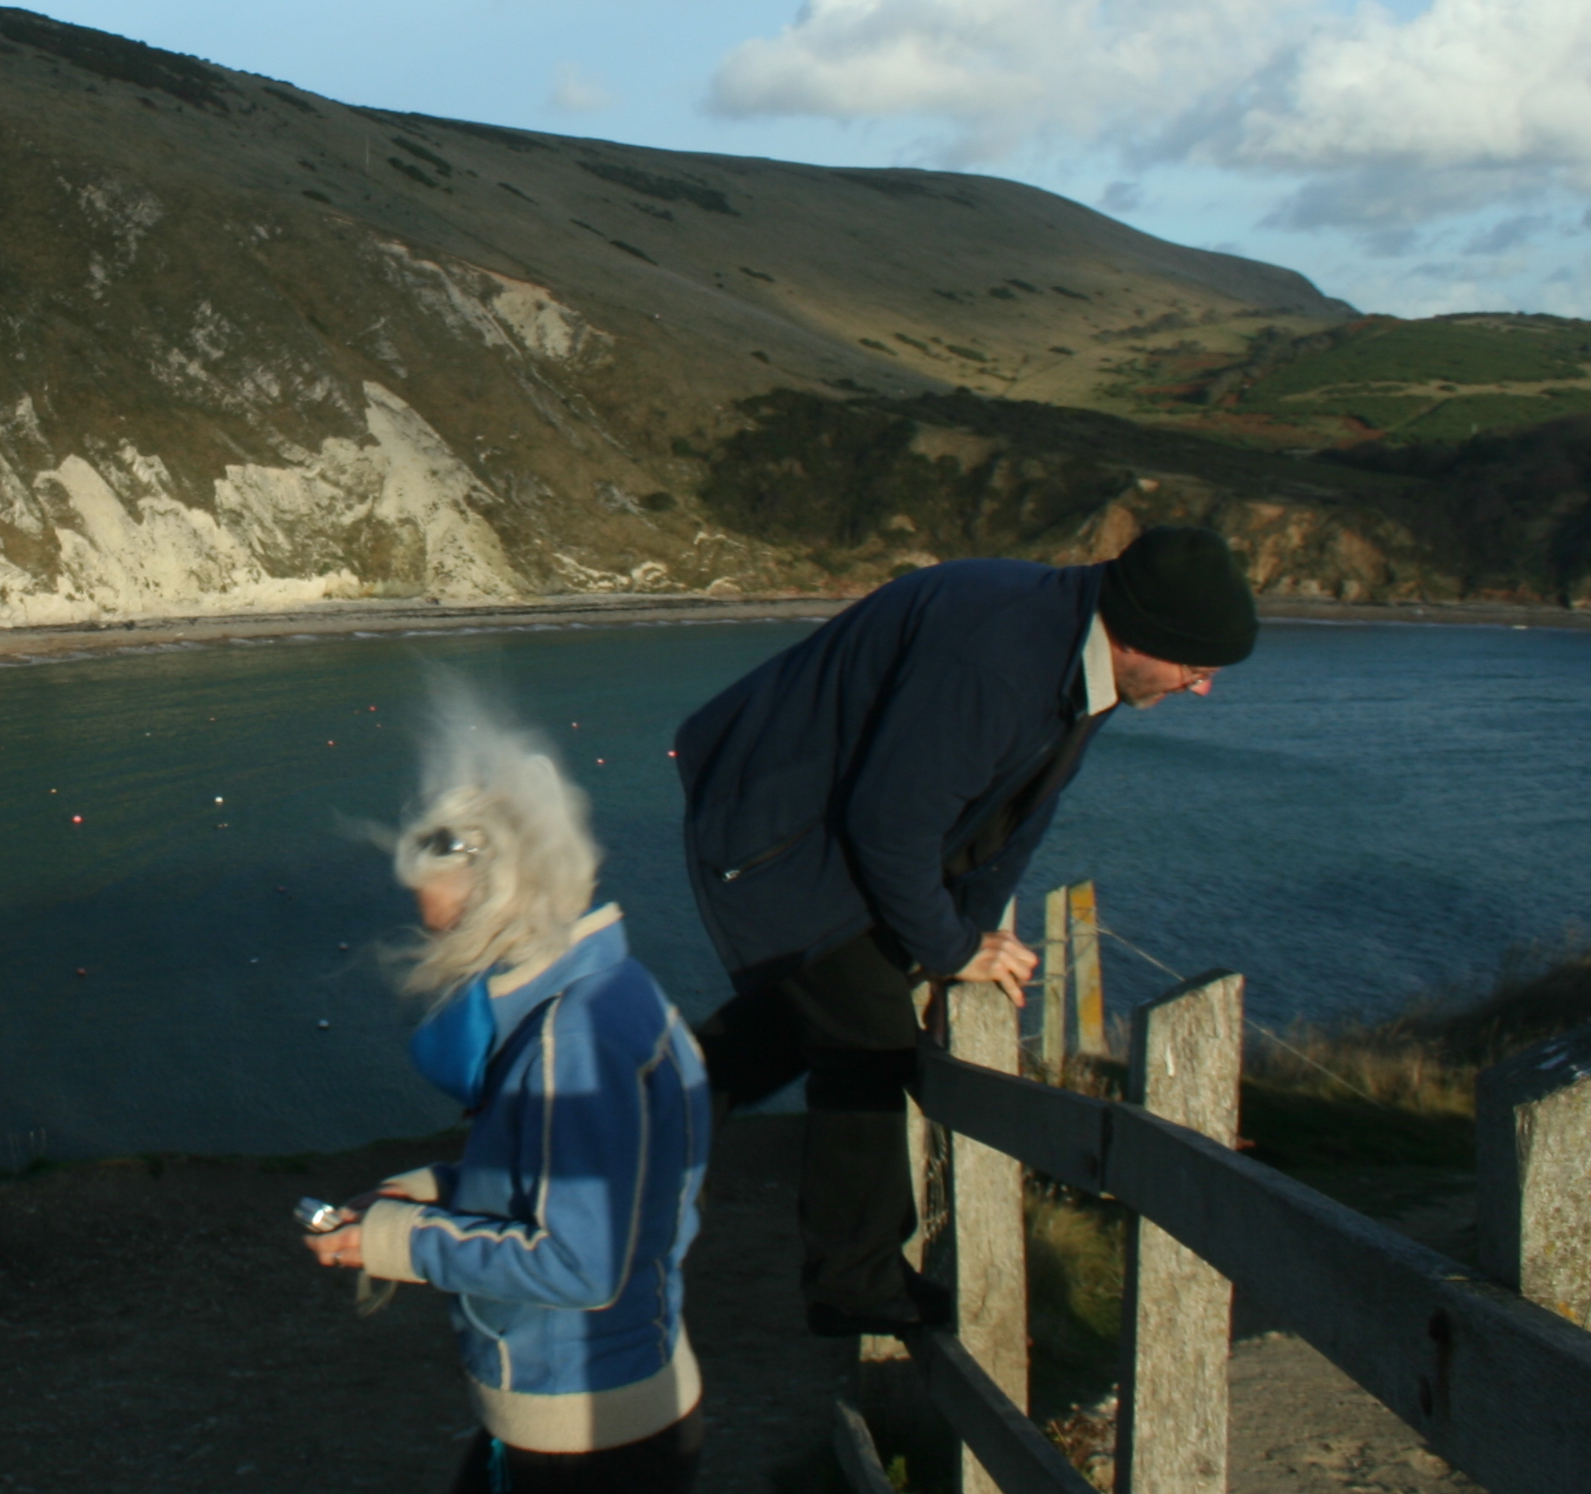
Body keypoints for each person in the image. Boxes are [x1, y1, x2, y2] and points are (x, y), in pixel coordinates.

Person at [671, 523, 1258, 1338]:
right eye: (1196, 669)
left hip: (833, 820)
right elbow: (890, 824)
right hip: (778, 829)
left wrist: (964, 942)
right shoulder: (1002, 659)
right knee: (869, 1043)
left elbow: (1014, 820)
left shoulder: (1082, 653)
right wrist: (948, 947)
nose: (1202, 690)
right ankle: (855, 1287)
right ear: (1140, 638)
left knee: (806, 1011)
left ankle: (633, 1127)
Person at [303, 721, 714, 1492]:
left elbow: (579, 1264)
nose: (435, 940)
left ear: (496, 898)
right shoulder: (615, 990)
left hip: (582, 1435)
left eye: (445, 918)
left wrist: (396, 1242)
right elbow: (573, 1186)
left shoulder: (573, 1039)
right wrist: (428, 1192)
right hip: (618, 1406)